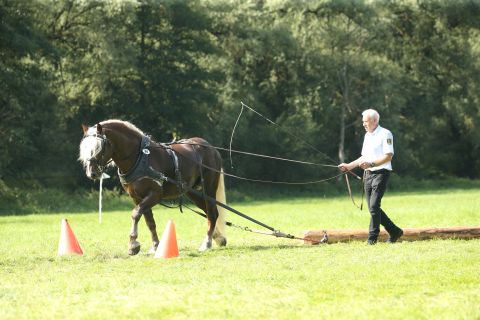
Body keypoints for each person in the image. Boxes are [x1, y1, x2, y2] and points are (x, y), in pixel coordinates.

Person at [338, 109, 403, 245]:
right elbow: (364, 157)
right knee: (373, 208)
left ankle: (372, 238)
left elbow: (388, 156)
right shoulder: (367, 135)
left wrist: (371, 164)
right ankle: (395, 231)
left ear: (374, 121)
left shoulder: (386, 134)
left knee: (374, 207)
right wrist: (349, 166)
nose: (363, 124)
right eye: (363, 122)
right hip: (368, 175)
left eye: (365, 121)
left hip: (381, 174)